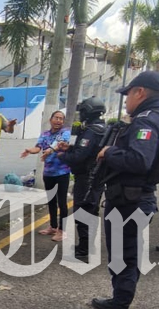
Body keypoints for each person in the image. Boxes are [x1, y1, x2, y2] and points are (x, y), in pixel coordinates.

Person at [82, 71, 159, 309]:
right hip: (131, 198)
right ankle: (117, 301)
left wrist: (110, 151)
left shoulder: (147, 121)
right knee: (122, 257)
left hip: (130, 201)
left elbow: (139, 160)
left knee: (125, 259)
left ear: (140, 92)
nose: (126, 101)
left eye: (128, 94)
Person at [56, 97, 107, 259]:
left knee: (83, 210)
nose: (81, 114)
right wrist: (70, 148)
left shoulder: (92, 131)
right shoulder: (103, 128)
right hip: (97, 177)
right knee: (91, 209)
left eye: (83, 111)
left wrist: (62, 155)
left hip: (87, 178)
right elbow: (87, 151)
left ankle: (85, 247)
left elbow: (80, 156)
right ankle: (88, 244)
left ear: (88, 112)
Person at [21, 111, 71, 242]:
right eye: (56, 118)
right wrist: (29, 150)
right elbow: (38, 148)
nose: (58, 121)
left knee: (62, 202)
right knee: (51, 200)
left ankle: (62, 231)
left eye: (61, 119)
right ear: (50, 119)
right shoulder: (45, 134)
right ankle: (53, 227)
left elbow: (59, 144)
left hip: (62, 172)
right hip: (48, 173)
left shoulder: (65, 132)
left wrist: (49, 151)